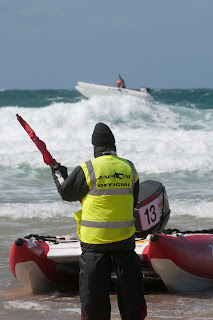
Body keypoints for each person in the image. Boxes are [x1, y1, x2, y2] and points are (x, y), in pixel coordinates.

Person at [51, 122, 147, 320]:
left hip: (95, 242)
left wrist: (58, 171)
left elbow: (66, 193)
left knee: (94, 298)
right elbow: (133, 200)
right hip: (124, 240)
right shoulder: (129, 167)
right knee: (131, 293)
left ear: (95, 147)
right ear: (114, 146)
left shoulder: (87, 168)